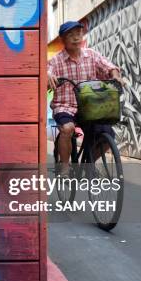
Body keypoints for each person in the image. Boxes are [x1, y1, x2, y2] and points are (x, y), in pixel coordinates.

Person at [48, 21, 124, 174]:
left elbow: (109, 66)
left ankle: (89, 164)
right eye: (71, 35)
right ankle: (64, 166)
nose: (76, 38)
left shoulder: (91, 55)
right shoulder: (56, 60)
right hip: (65, 106)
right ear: (63, 39)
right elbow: (47, 71)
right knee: (68, 129)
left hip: (90, 107)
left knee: (107, 135)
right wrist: (48, 76)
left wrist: (115, 76)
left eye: (79, 33)